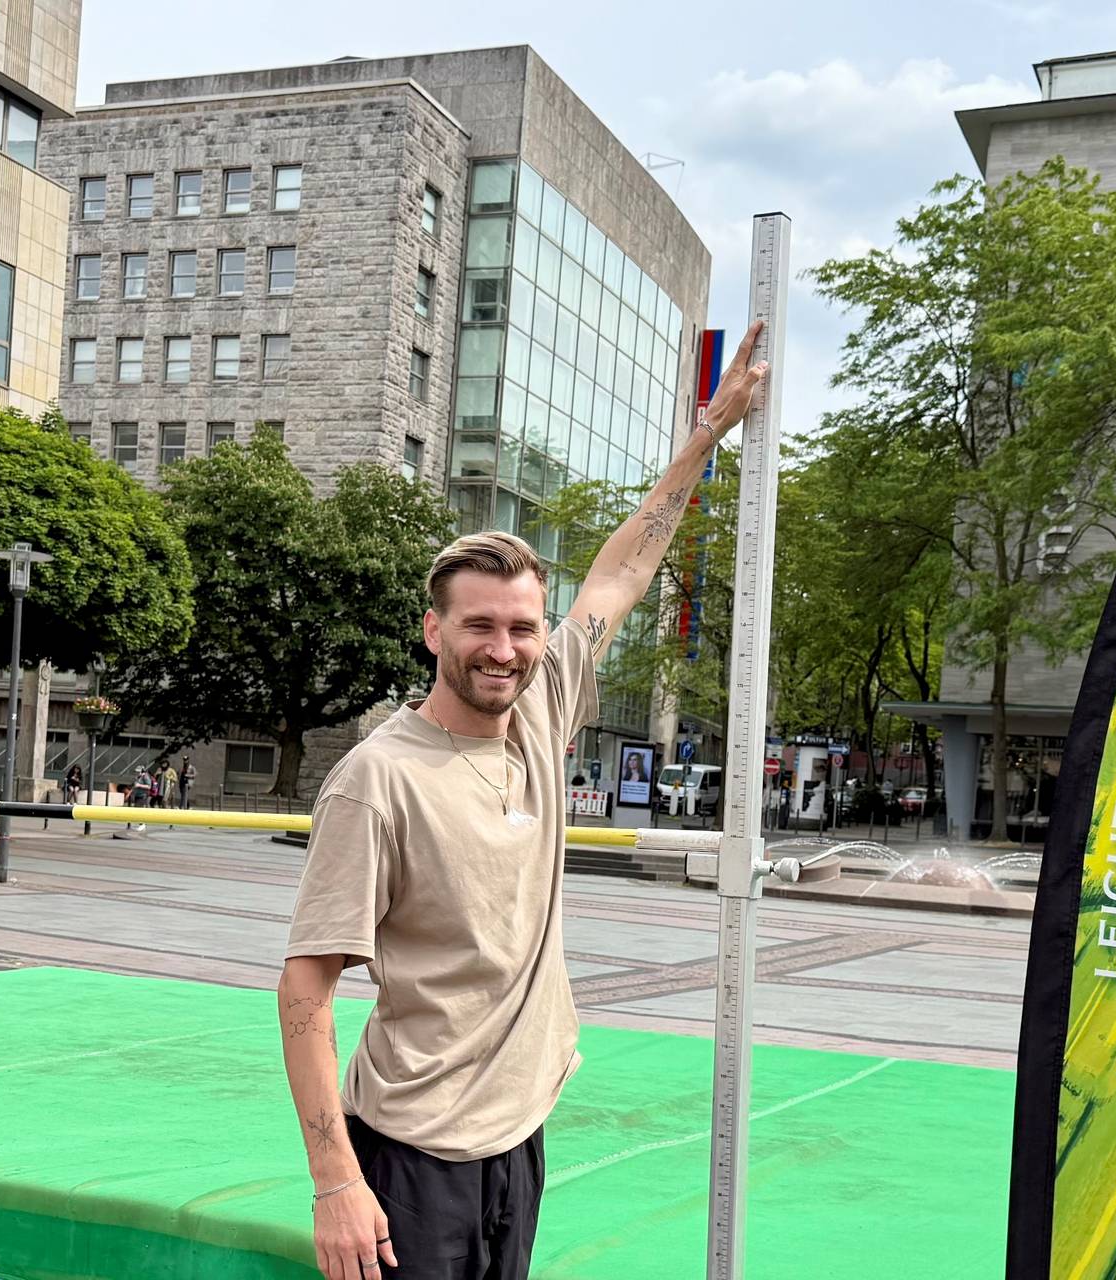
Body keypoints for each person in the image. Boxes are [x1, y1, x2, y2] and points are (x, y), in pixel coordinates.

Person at [279, 320, 767, 1280]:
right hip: (411, 1153)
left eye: (522, 627)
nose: (502, 648)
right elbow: (306, 988)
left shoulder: (543, 711)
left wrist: (708, 437)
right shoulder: (378, 781)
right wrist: (336, 1180)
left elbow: (624, 572)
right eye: (478, 627)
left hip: (519, 1139)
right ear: (432, 630)